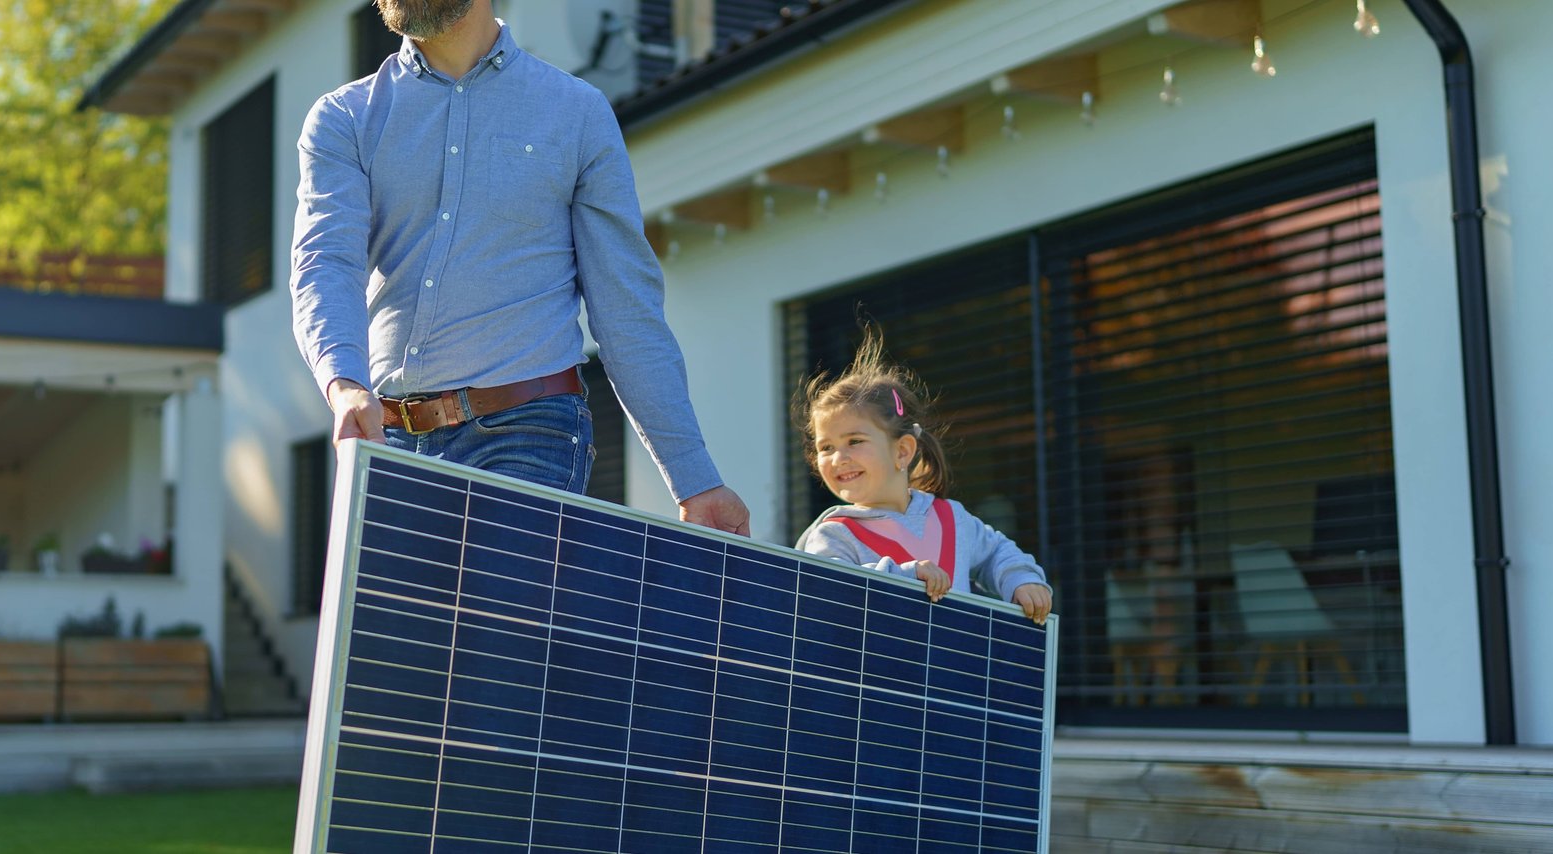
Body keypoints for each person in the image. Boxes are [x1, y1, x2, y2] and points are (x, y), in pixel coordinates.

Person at [291, 0, 749, 535]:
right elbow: (326, 261)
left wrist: (695, 480)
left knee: (502, 592)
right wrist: (344, 383)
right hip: (389, 438)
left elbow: (626, 307)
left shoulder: (576, 112)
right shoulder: (343, 117)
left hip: (529, 431)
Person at [793, 333, 1053, 624]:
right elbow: (829, 595)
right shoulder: (832, 535)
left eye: (854, 441)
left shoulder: (951, 517)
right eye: (826, 447)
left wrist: (1022, 580)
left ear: (902, 451)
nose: (838, 458)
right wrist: (904, 576)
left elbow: (996, 552)